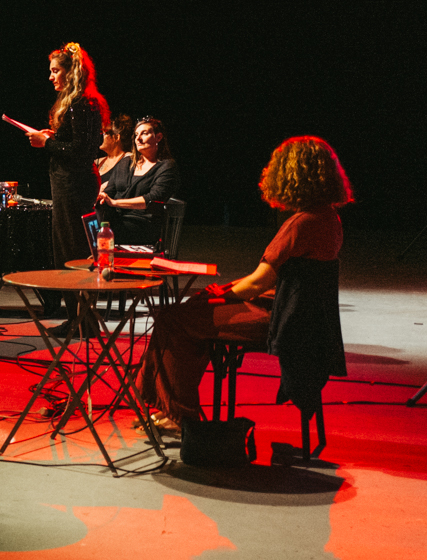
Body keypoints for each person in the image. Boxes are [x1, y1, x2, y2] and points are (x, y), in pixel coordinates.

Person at [140, 137, 353, 435]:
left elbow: (257, 283)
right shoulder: (329, 218)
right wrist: (218, 293)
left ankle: (178, 413)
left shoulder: (301, 223)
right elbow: (274, 277)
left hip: (282, 323)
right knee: (193, 315)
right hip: (302, 321)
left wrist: (219, 295)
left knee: (173, 318)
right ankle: (178, 407)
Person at [27, 42, 110, 323]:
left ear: (70, 72)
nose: (51, 77)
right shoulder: (78, 103)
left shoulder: (82, 104)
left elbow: (82, 153)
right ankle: (78, 317)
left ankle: (83, 319)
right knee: (67, 251)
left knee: (74, 252)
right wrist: (54, 138)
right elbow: (76, 145)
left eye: (55, 71)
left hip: (75, 187)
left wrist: (48, 142)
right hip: (68, 186)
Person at [98, 116, 179, 251]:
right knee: (85, 226)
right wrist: (101, 196)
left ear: (158, 137)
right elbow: (109, 190)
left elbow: (152, 199)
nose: (138, 139)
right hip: (117, 219)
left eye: (144, 133)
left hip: (142, 224)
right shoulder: (126, 163)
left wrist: (114, 202)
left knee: (102, 233)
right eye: (136, 135)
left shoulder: (166, 166)